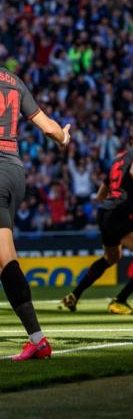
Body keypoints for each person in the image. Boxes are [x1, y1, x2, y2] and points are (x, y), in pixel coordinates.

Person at [59, 123, 133, 315]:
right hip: (119, 213)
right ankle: (120, 301)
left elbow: (101, 193)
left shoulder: (118, 159)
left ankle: (73, 296)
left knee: (112, 257)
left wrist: (111, 204)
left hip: (105, 212)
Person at [0, 66, 71, 360]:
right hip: (14, 171)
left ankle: (38, 339)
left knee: (6, 261)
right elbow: (49, 127)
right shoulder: (13, 81)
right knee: (5, 258)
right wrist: (64, 139)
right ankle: (37, 340)